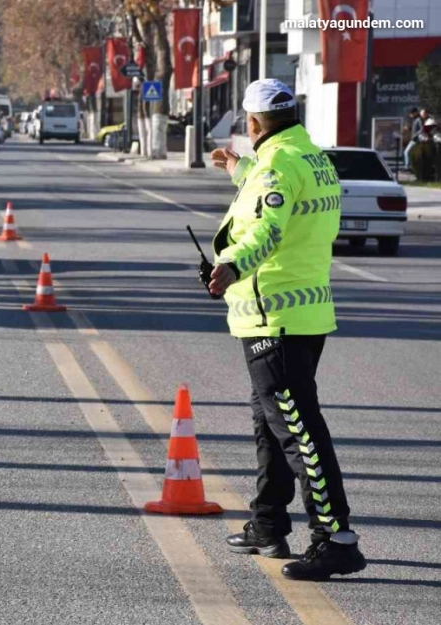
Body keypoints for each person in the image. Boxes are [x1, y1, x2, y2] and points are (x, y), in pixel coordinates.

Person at [207, 79, 366, 581]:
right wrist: (239, 170)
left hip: (273, 315)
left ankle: (336, 538)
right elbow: (275, 198)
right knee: (271, 426)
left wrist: (232, 263)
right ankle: (268, 523)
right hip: (303, 312)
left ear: (253, 124)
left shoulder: (277, 166)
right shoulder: (311, 159)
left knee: (296, 430)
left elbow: (268, 229)